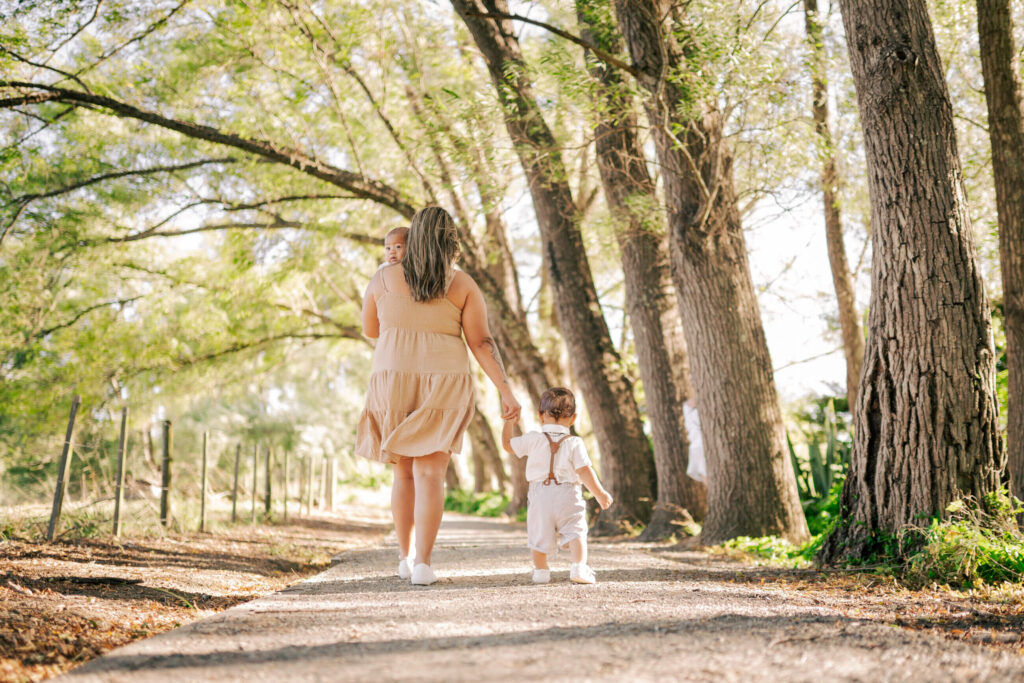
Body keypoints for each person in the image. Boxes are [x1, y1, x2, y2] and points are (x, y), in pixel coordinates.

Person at [356, 206, 521, 586]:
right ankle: (424, 565)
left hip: (392, 378)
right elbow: (480, 342)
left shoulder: (382, 278)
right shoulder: (462, 284)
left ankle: (404, 556)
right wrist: (505, 389)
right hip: (444, 380)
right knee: (431, 474)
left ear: (413, 238)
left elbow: (370, 329)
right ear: (451, 240)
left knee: (403, 474)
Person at [501, 387, 612, 585]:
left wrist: (509, 422)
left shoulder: (533, 439)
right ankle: (578, 567)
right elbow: (585, 471)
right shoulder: (575, 442)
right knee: (576, 530)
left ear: (540, 415)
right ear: (573, 418)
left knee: (538, 533)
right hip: (567, 493)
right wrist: (600, 494)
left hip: (539, 494)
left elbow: (508, 445)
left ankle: (541, 572)